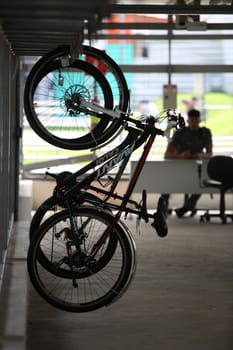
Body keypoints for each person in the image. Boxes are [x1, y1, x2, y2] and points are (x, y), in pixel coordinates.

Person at [162, 108, 213, 218]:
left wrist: (201, 156)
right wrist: (181, 156)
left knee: (202, 182)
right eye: (192, 121)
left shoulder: (205, 132)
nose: (194, 124)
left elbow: (210, 154)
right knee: (166, 182)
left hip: (196, 167)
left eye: (196, 121)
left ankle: (187, 206)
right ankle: (163, 207)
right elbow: (167, 155)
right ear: (188, 121)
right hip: (179, 167)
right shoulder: (180, 133)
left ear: (199, 121)